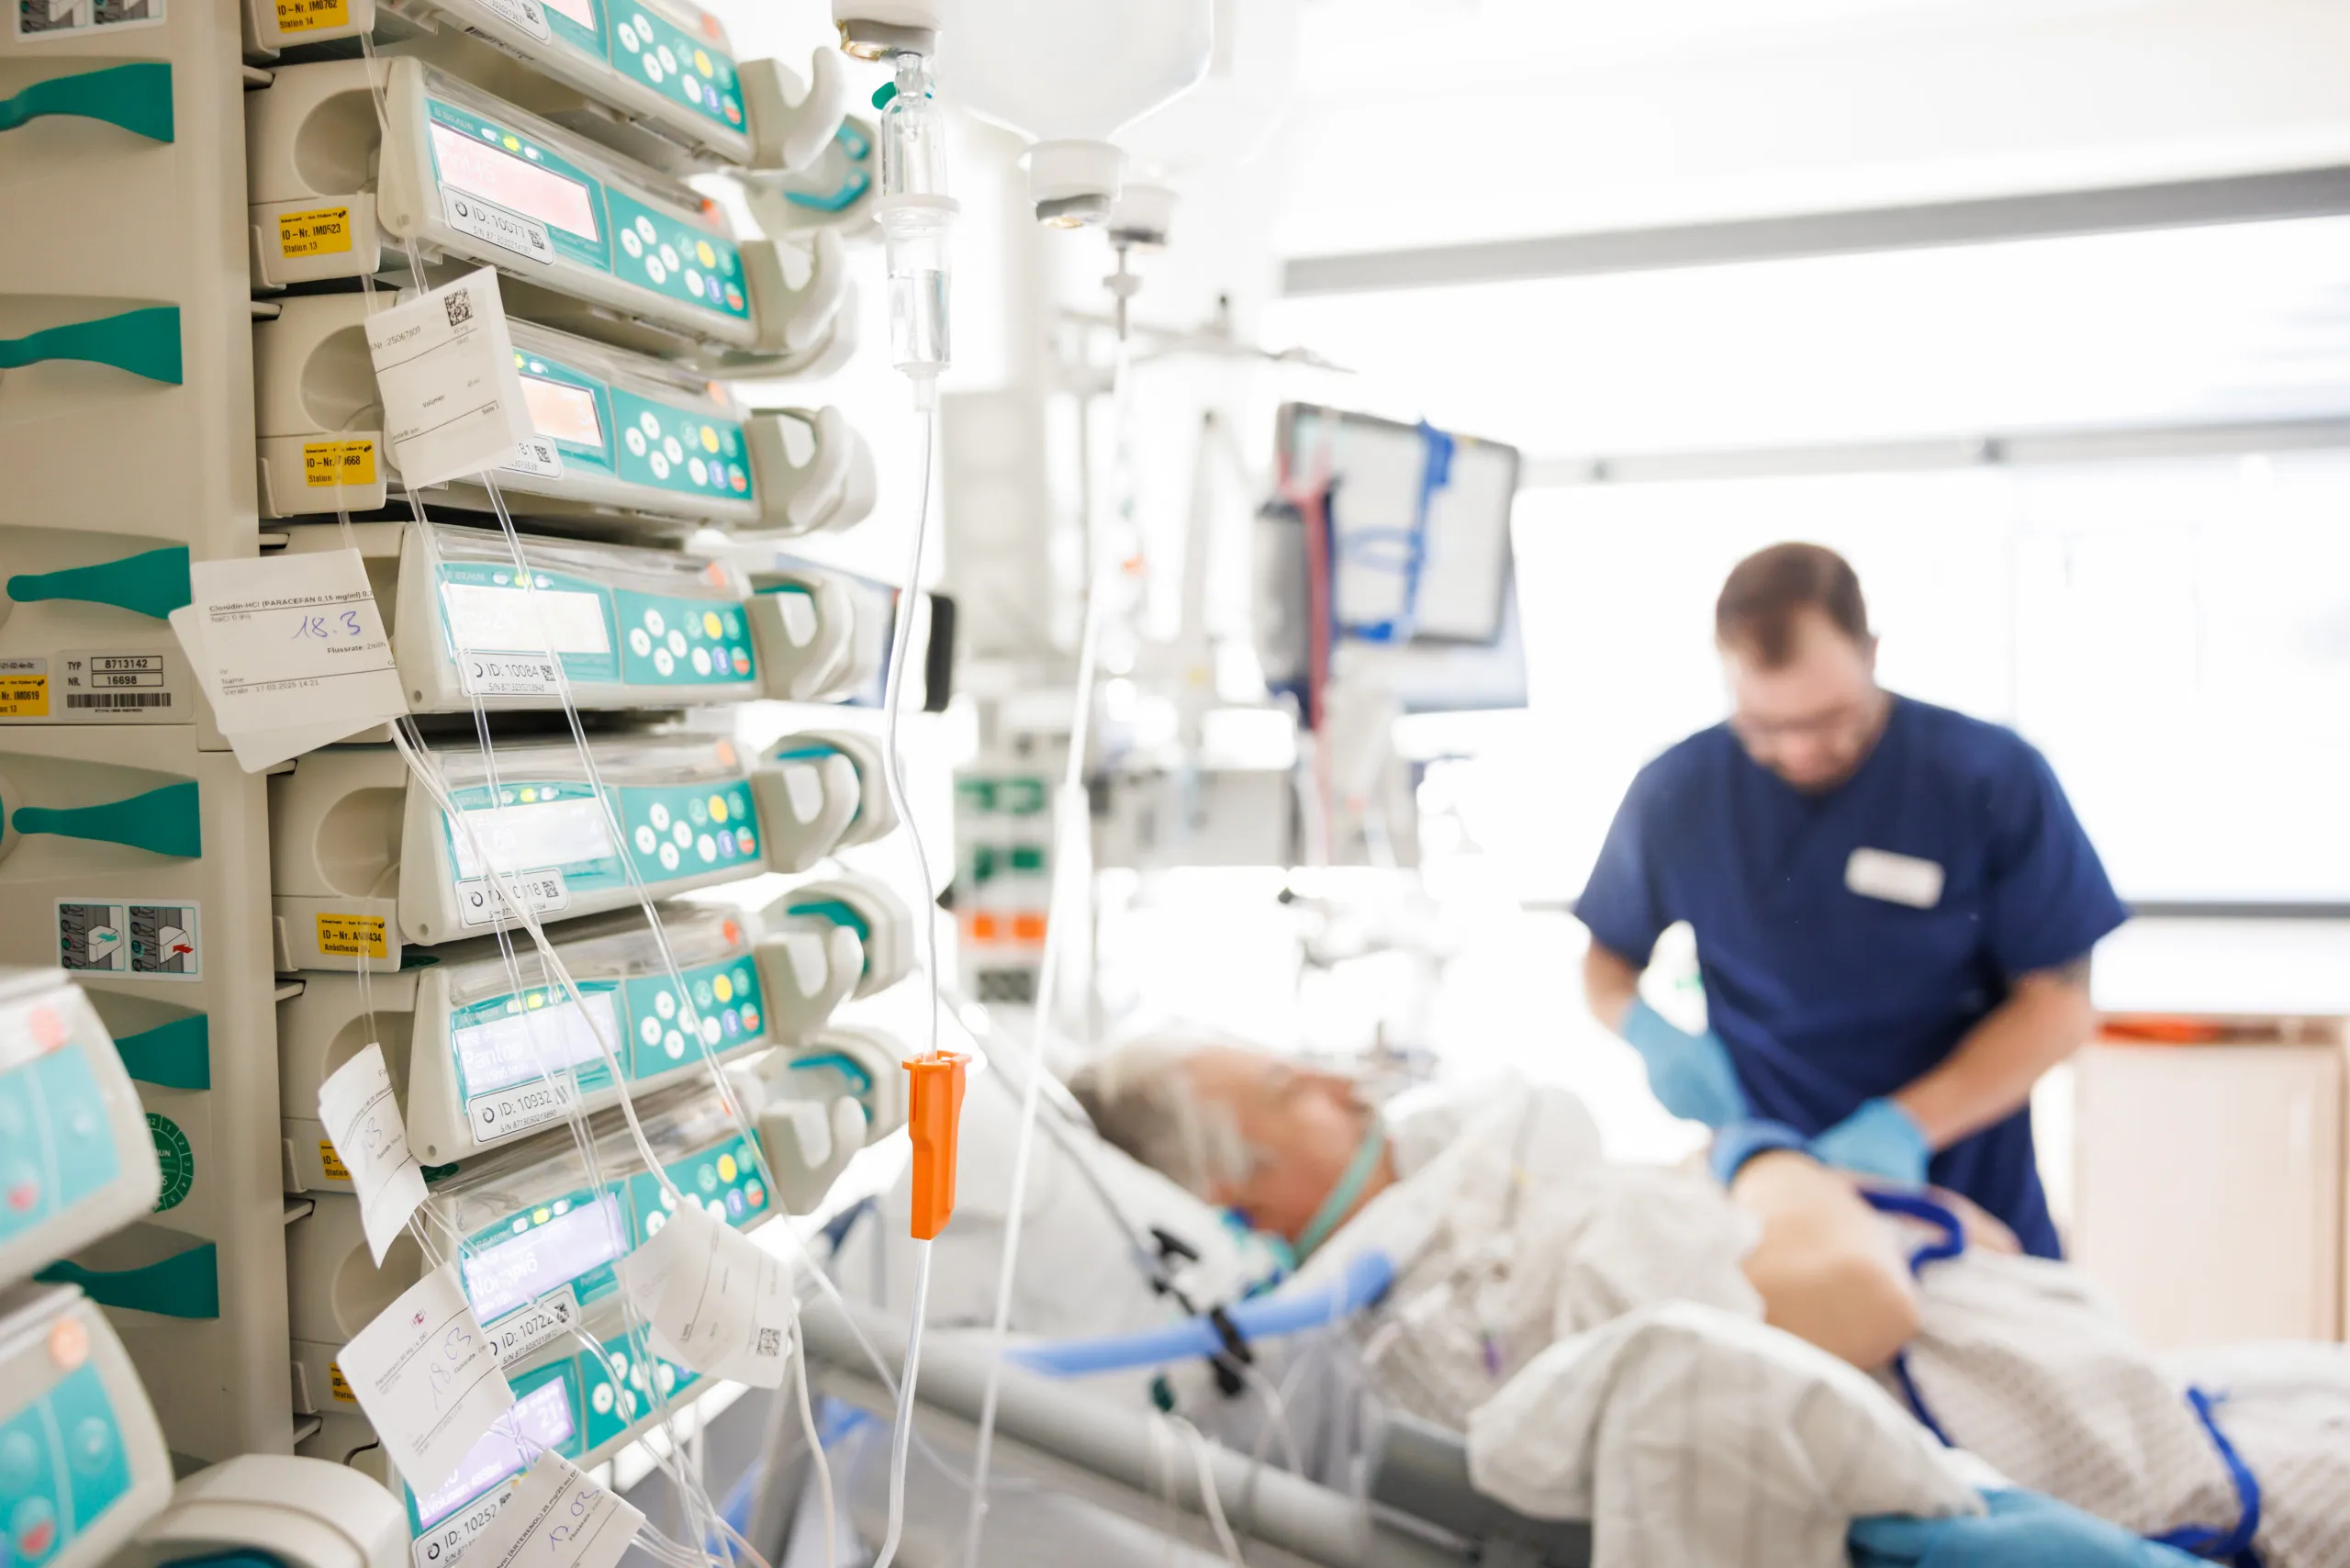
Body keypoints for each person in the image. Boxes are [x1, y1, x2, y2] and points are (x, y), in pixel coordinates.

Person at [1070, 1036, 2350, 1568]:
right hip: (2094, 1433)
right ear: (1242, 1194)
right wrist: (1769, 1158)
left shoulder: (1488, 1221)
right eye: (1290, 1087)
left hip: (2099, 1360)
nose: (1339, 1082)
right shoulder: (1450, 1316)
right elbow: (1849, 1298)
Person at [1575, 543, 2127, 1259]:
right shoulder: (1678, 795)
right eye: (1768, 728)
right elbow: (1604, 963)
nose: (1802, 751)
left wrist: (1906, 1127)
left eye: (1831, 718)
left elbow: (2058, 1007)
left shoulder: (1987, 779)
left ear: (1871, 653)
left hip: (1958, 1188)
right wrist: (1645, 1029)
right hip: (1775, 1193)